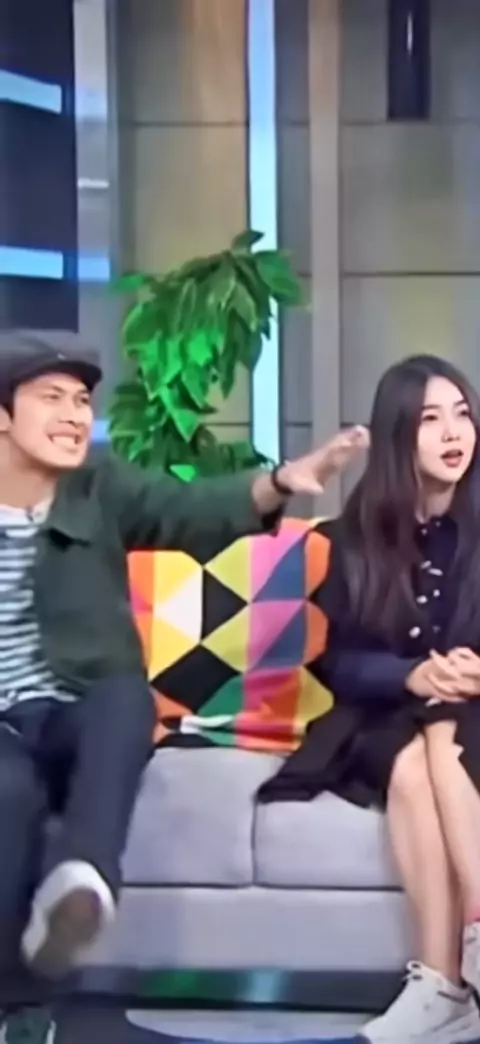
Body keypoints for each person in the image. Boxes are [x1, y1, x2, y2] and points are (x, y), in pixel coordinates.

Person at [0, 329, 368, 988]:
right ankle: (23, 1006)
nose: (75, 416)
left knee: (124, 700)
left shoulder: (98, 486)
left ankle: (82, 878)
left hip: (81, 706)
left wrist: (281, 481)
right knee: (10, 796)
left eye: (82, 400)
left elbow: (189, 510)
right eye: (51, 398)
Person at [258, 355, 480, 1044]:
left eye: (462, 414)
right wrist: (412, 676)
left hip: (472, 714)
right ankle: (442, 989)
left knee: (445, 734)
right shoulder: (356, 534)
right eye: (430, 419)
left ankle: (464, 954)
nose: (454, 433)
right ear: (396, 436)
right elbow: (341, 661)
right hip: (388, 715)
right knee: (413, 761)